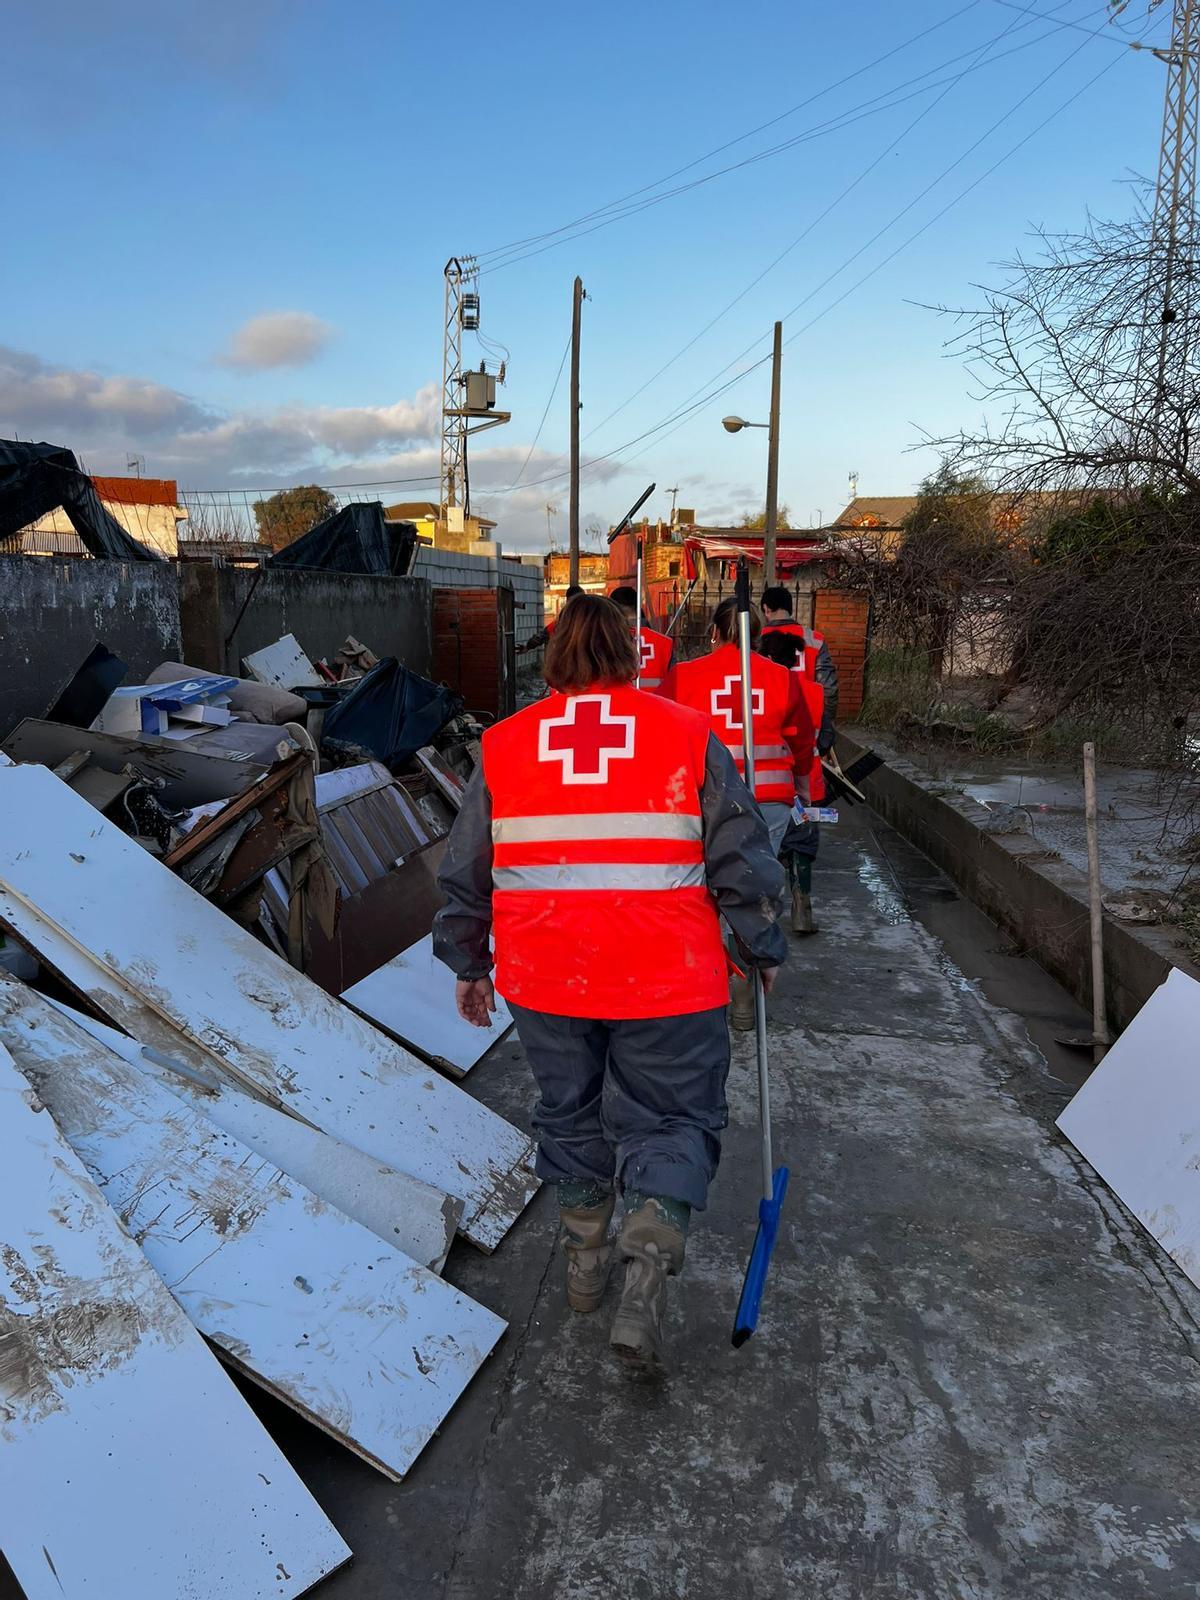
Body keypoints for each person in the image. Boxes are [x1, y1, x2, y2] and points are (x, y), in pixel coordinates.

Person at [433, 594, 786, 1373]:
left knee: (570, 1112)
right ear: (632, 654)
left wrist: (469, 961)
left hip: (547, 977)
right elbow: (742, 857)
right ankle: (646, 1274)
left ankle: (586, 1263)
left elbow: (465, 867)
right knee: (671, 1117)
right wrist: (761, 946)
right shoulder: (689, 737)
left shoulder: (504, 745)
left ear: (552, 658)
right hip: (670, 980)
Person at [658, 598, 815, 1029]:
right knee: (752, 883)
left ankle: (710, 976)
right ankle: (745, 991)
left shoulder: (683, 676)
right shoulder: (782, 678)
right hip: (769, 800)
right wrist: (802, 788)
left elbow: (657, 730)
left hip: (700, 799)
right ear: (759, 635)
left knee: (705, 887)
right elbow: (802, 741)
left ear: (713, 632)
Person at [759, 630, 825, 936]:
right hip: (810, 787)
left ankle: (762, 918)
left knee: (768, 851)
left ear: (768, 658)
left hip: (780, 786)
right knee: (802, 845)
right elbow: (826, 738)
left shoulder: (767, 688)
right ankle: (803, 908)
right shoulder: (814, 691)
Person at [760, 584, 840, 729]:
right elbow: (829, 688)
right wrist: (827, 723)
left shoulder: (755, 641)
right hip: (808, 720)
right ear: (789, 609)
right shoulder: (815, 639)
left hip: (769, 719)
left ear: (766, 608)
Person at [609, 585, 673, 691]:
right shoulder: (664, 643)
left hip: (622, 704)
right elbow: (674, 682)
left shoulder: (609, 642)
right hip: (658, 703)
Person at [517, 585, 584, 654]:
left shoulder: (561, 621)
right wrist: (528, 647)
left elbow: (543, 635)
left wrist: (528, 647)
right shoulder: (561, 622)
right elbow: (544, 634)